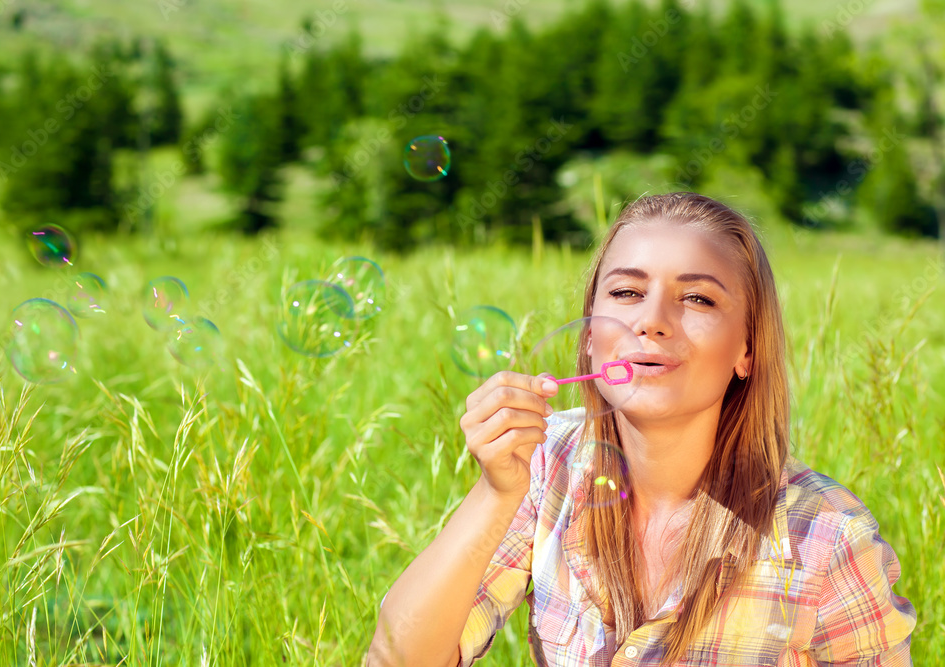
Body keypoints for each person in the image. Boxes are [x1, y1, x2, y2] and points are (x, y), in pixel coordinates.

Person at [367, 192, 916, 666]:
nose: (650, 320)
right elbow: (398, 658)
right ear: (588, 338)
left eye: (698, 298)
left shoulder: (826, 537)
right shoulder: (547, 463)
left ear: (747, 349)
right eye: (627, 293)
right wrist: (495, 492)